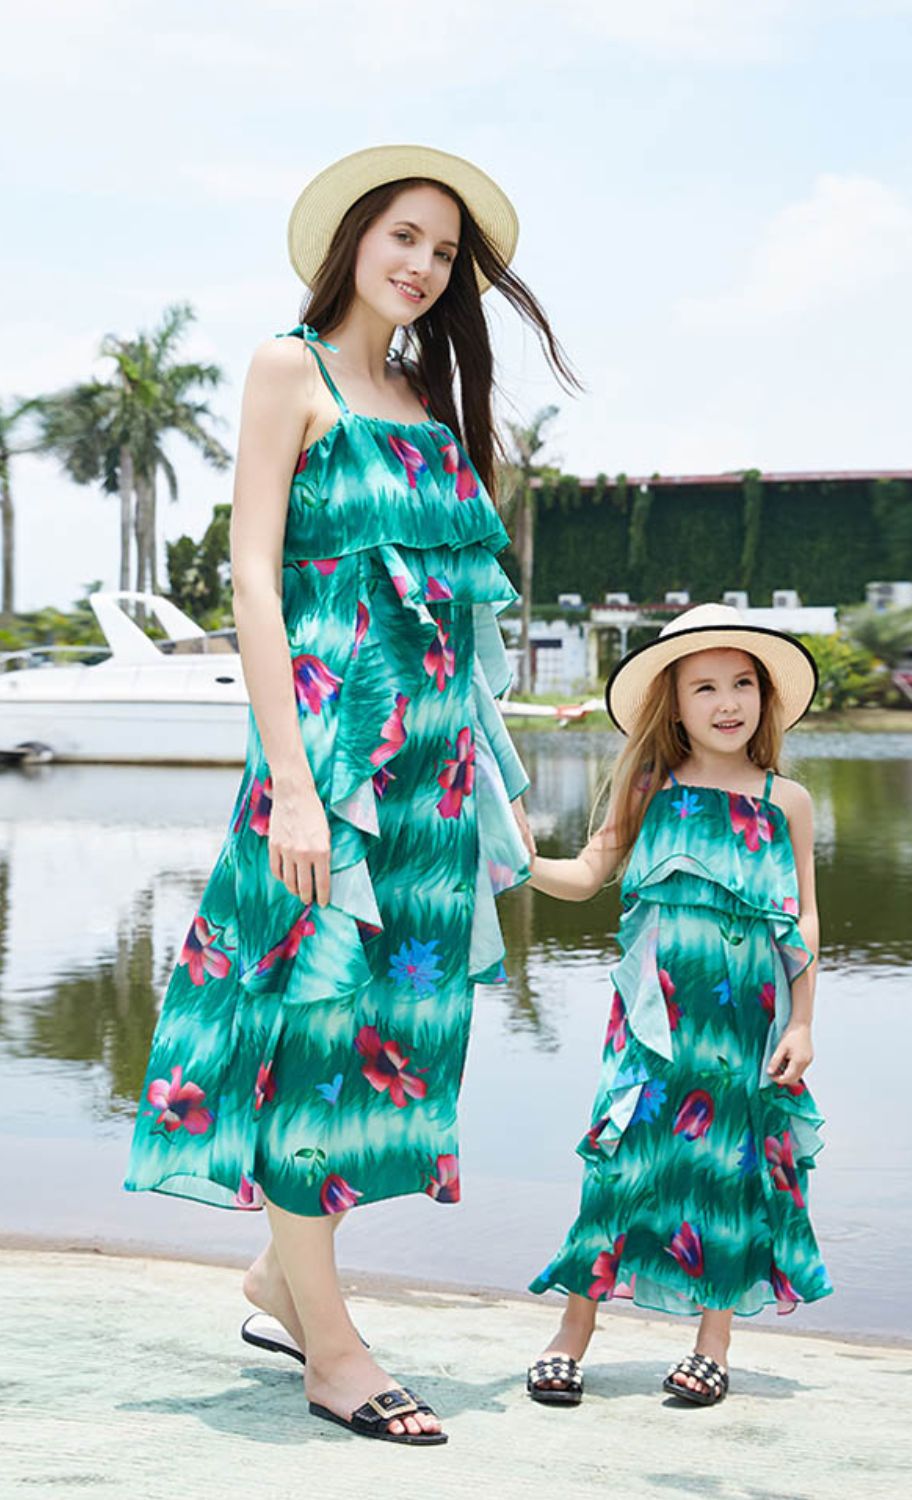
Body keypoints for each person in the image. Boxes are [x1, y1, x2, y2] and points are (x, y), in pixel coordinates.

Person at [125, 144, 574, 1445]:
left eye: (445, 252)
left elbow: (454, 630)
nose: (424, 266)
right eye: (407, 237)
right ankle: (332, 1347)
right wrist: (299, 793)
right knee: (311, 1043)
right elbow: (255, 583)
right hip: (327, 777)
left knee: (400, 1050)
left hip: (434, 795)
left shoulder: (432, 410)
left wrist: (497, 792)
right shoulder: (291, 370)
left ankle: (279, 1277)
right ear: (354, 241)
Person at [524, 603, 833, 1407]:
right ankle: (572, 1332)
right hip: (653, 1027)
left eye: (742, 684)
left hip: (746, 1028)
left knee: (728, 1170)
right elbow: (588, 874)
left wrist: (802, 1021)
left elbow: (801, 920)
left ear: (765, 697)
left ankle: (714, 1341)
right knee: (620, 1165)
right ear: (675, 700)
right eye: (705, 687)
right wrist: (521, 858)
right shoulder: (649, 787)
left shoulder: (784, 801)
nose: (727, 703)